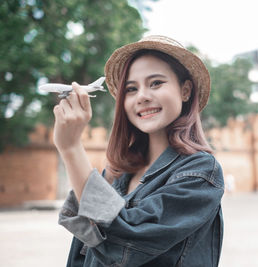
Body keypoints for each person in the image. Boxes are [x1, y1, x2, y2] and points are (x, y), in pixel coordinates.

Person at [54, 35, 225, 267]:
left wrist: (71, 148)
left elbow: (125, 237)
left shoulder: (200, 173)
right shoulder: (113, 175)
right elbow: (80, 257)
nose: (142, 96)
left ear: (185, 91)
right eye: (131, 89)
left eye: (156, 83)